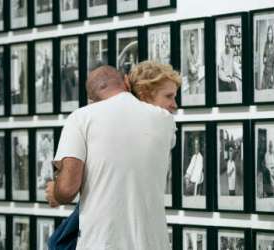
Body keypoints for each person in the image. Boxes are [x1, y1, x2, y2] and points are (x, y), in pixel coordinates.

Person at [46, 62, 180, 249]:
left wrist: (55, 192)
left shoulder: (81, 117)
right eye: (170, 96)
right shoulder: (164, 121)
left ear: (91, 99)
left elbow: (67, 189)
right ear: (125, 82)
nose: (174, 104)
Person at [261, 25, 274, 90]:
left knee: (269, 94)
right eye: (268, 33)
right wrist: (264, 59)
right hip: (265, 72)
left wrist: (273, 75)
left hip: (270, 73)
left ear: (272, 35)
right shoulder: (265, 44)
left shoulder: (273, 46)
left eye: (271, 33)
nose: (269, 35)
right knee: (263, 90)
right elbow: (263, 57)